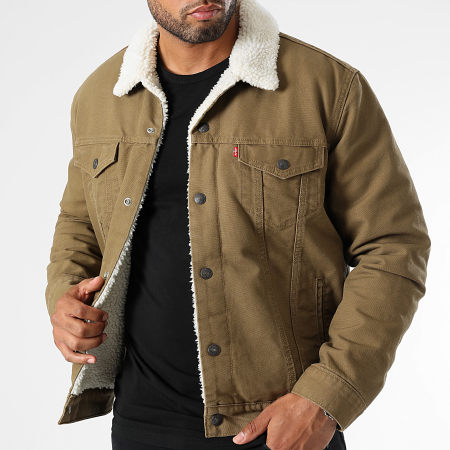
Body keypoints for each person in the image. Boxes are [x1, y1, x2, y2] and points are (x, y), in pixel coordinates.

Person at [45, 0, 431, 449]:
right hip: (142, 422)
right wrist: (64, 298)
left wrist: (325, 398)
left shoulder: (328, 88)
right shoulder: (100, 96)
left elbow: (393, 245)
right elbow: (79, 222)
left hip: (280, 424)